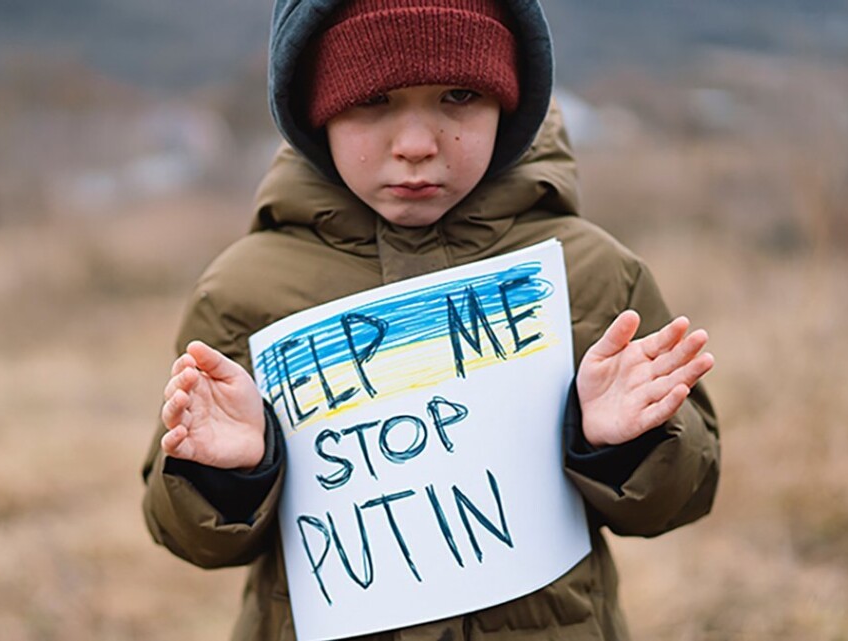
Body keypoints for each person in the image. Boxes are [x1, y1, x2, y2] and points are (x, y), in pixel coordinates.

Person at [141, 0, 720, 638]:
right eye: (372, 100)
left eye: (460, 95)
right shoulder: (241, 293)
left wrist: (623, 446)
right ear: (314, 110)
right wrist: (225, 475)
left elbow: (687, 493)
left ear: (511, 102)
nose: (416, 145)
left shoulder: (593, 275)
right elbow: (188, 535)